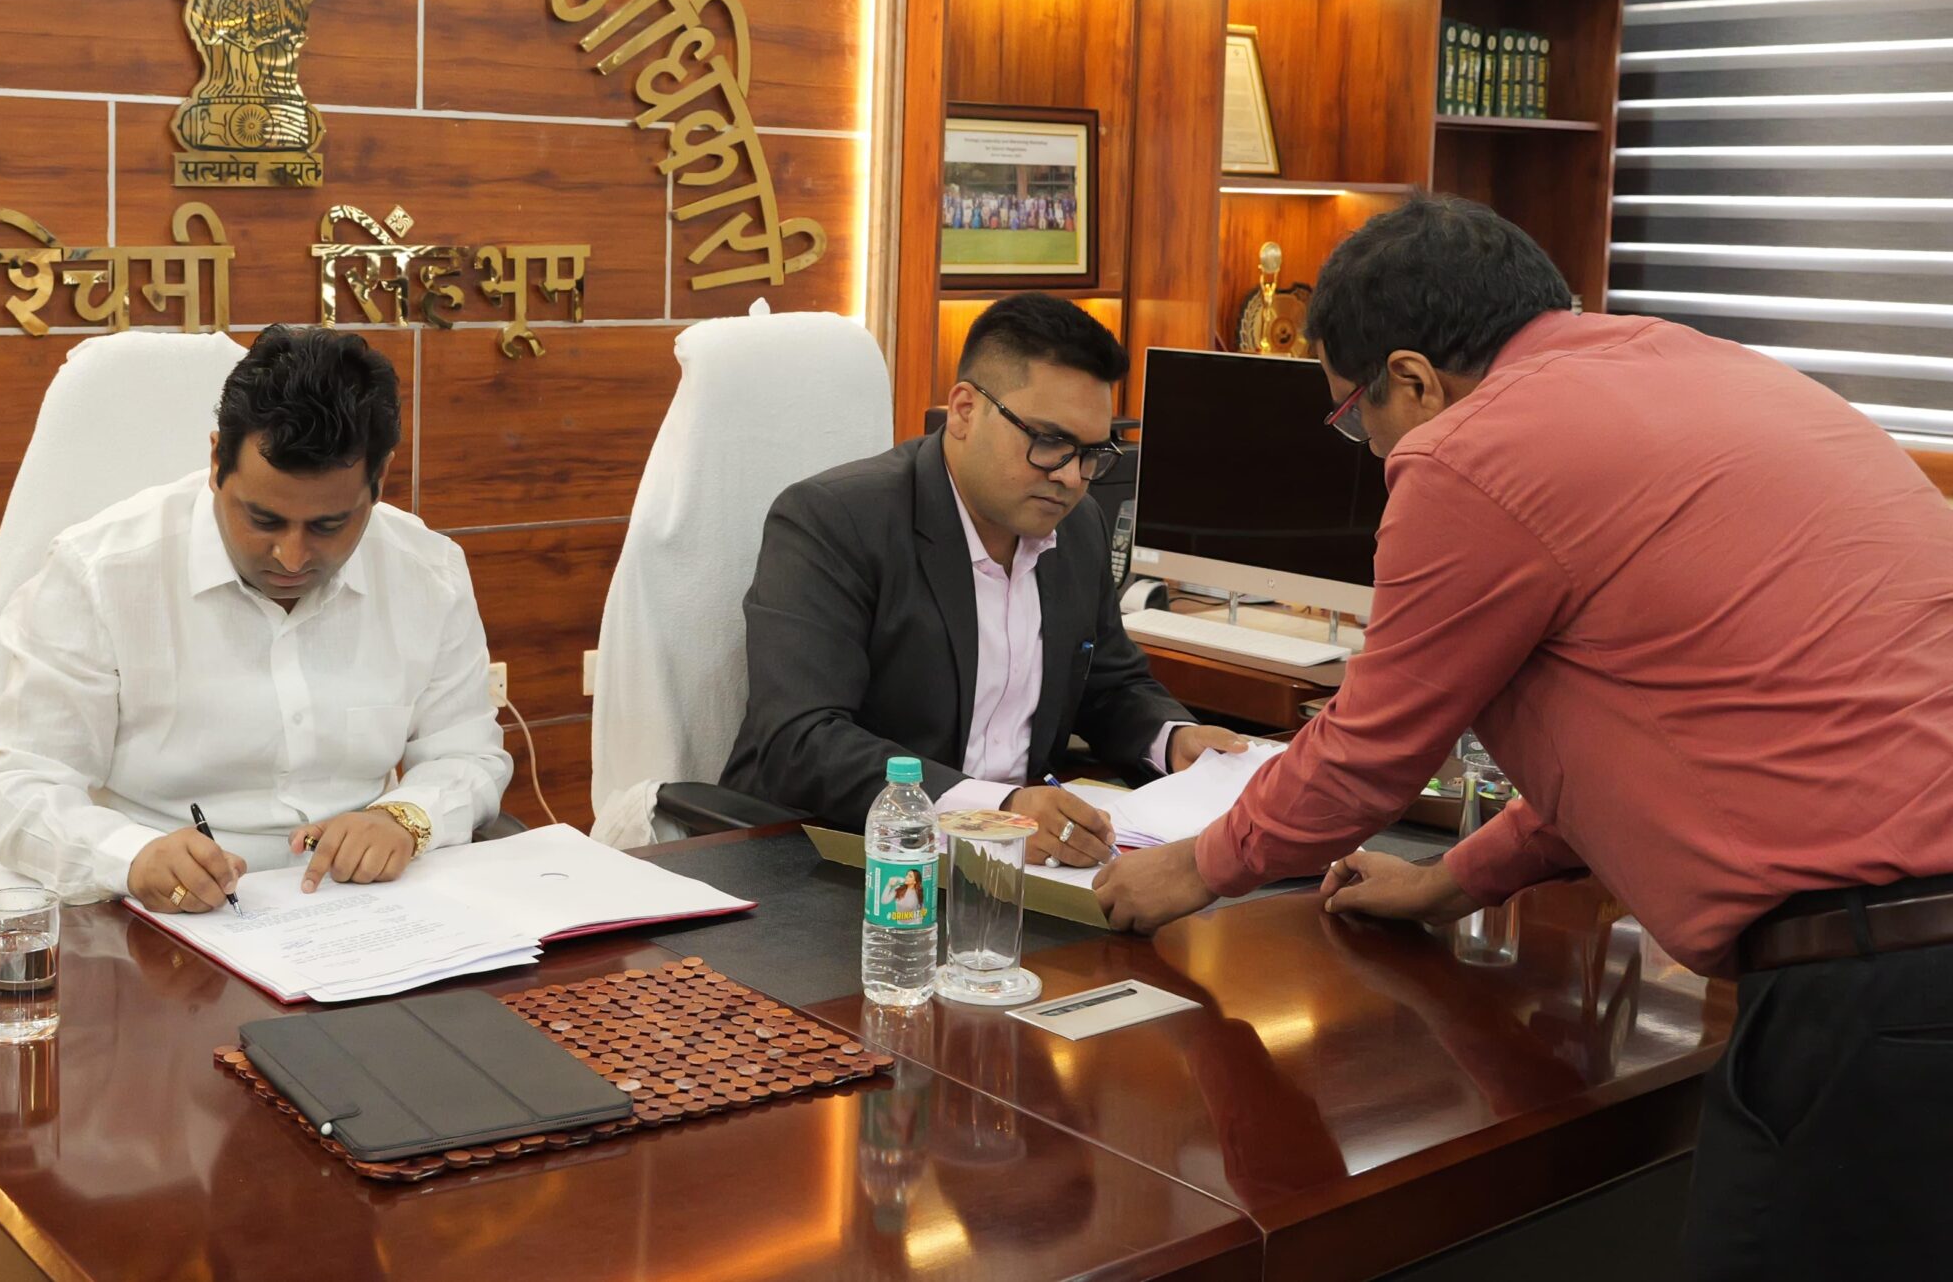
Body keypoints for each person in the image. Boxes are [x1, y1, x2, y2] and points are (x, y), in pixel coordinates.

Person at [1088, 196, 1953, 1277]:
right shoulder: (1702, 366)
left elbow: (1365, 753)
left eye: (1352, 417)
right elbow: (1666, 733)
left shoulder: (1471, 452)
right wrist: (1449, 881)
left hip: (1883, 985)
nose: (1367, 448)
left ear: (1412, 379)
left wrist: (1188, 868)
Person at [0, 325, 512, 920]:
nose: (292, 557)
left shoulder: (427, 573)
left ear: (379, 480)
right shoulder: (103, 573)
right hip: (158, 914)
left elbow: (469, 755)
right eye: (263, 519)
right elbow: (16, 786)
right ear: (214, 462)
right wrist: (130, 856)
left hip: (361, 907)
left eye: (328, 526)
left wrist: (404, 818)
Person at [723, 292, 1247, 863]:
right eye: (1050, 442)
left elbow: (1108, 686)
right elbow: (800, 741)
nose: (1072, 478)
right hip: (839, 857)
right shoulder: (835, 521)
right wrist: (996, 811)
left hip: (1022, 867)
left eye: (1092, 452)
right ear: (965, 411)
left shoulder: (1077, 529)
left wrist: (1172, 740)